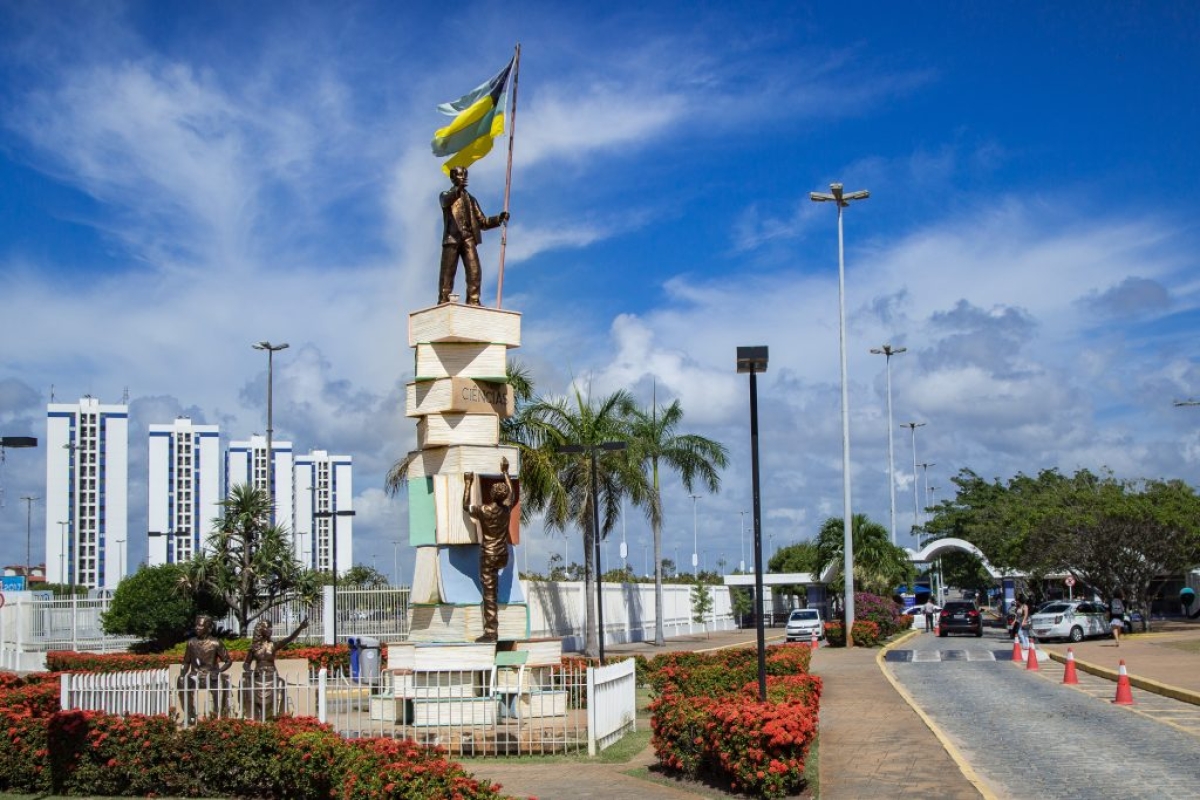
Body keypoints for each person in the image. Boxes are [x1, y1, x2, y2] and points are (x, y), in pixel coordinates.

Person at [438, 166, 509, 306]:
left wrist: (498, 219)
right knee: (447, 273)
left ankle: (473, 300)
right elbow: (445, 201)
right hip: (452, 238)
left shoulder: (471, 199)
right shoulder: (445, 195)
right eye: (459, 175)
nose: (463, 178)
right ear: (453, 178)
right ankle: (443, 299)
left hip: (468, 238)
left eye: (465, 175)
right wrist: (457, 189)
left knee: (475, 270)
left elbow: (482, 221)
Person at [463, 457, 514, 643]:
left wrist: (467, 483)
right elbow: (512, 495)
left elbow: (465, 506)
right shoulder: (507, 510)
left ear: (492, 495)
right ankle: (492, 630)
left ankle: (491, 632)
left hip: (488, 555)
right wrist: (506, 472)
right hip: (503, 555)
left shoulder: (484, 510)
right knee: (494, 590)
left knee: (490, 595)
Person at [241, 617, 308, 720]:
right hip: (258, 676)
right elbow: (246, 664)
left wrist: (300, 628)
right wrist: (250, 672)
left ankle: (276, 715)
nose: (270, 630)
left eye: (271, 628)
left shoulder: (273, 645)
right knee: (246, 684)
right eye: (268, 628)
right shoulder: (253, 647)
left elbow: (289, 639)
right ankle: (253, 715)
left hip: (272, 675)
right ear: (261, 630)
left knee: (281, 684)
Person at [177, 614, 233, 723]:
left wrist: (218, 671)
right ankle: (190, 715)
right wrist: (182, 674)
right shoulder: (191, 642)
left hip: (211, 675)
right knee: (181, 681)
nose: (197, 628)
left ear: (208, 628)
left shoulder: (216, 643)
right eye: (196, 625)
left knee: (220, 682)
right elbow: (186, 662)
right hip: (195, 676)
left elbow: (228, 661)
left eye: (201, 626)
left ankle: (217, 715)